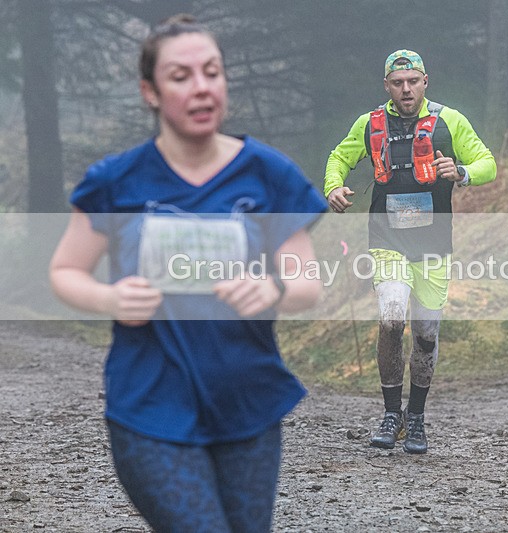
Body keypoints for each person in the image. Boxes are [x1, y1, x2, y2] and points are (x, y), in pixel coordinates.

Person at [49, 15, 327, 532]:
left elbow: (308, 283)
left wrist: (273, 287)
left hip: (246, 403)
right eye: (181, 76)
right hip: (150, 407)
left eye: (212, 72)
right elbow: (66, 272)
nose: (201, 88)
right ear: (149, 92)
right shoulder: (115, 181)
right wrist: (109, 299)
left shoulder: (269, 174)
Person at [324, 50, 496, 454]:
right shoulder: (369, 123)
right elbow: (339, 157)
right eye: (398, 83)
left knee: (426, 334)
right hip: (387, 238)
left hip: (434, 243)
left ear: (425, 82)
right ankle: (390, 413)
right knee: (390, 318)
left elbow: (487, 162)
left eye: (413, 81)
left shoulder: (450, 121)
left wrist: (463, 173)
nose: (406, 89)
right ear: (387, 85)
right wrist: (333, 185)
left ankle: (415, 418)